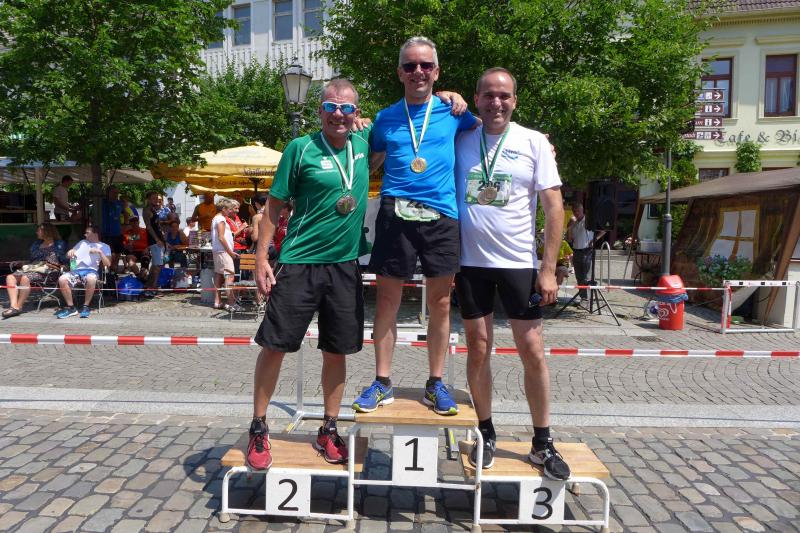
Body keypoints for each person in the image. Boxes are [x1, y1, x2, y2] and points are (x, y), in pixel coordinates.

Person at [454, 67, 570, 479]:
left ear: (515, 101)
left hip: (519, 264)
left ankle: (542, 441)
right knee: (478, 347)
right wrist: (448, 94)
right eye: (488, 95)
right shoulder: (461, 139)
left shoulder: (534, 142)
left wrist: (548, 269)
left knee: (532, 350)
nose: (496, 102)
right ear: (477, 99)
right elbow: (429, 113)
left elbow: (554, 208)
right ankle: (485, 431)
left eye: (504, 95)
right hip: (471, 264)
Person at [249, 79, 370, 470]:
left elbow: (407, 121)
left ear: (356, 113)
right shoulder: (299, 149)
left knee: (337, 350)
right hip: (299, 262)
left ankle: (329, 427)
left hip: (345, 265)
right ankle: (258, 425)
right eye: (331, 107)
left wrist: (449, 96)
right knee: (275, 345)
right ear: (320, 111)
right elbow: (273, 206)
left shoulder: (364, 144)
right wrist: (262, 259)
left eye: (346, 108)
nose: (338, 114)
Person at [353, 36, 477, 416]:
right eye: (410, 66)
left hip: (442, 215)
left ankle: (435, 383)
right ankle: (382, 381)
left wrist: (540, 145)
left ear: (436, 72)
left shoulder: (454, 111)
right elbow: (371, 158)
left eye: (425, 65)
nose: (417, 72)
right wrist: (358, 129)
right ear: (400, 73)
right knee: (386, 301)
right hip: (396, 212)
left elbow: (490, 133)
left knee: (440, 303)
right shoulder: (386, 118)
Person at [2, 223, 67, 318]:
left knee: (25, 278)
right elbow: (32, 260)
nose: (36, 232)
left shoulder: (59, 244)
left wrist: (63, 266)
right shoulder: (37, 244)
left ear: (46, 231)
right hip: (34, 268)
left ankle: (18, 307)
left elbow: (63, 260)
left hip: (49, 271)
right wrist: (22, 262)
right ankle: (13, 306)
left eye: (38, 230)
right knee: (10, 277)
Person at [56, 226, 111, 319]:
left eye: (87, 233)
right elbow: (70, 256)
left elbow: (108, 264)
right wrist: (70, 252)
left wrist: (100, 252)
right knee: (62, 279)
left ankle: (86, 306)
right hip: (76, 270)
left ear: (95, 233)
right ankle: (71, 308)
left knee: (91, 278)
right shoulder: (82, 242)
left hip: (91, 271)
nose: (85, 235)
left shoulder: (104, 246)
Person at [566, 202, 604, 306]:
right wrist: (570, 227)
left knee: (586, 276)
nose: (576, 213)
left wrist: (594, 239)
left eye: (578, 211)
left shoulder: (588, 221)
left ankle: (586, 300)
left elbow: (604, 230)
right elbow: (569, 239)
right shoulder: (573, 222)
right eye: (574, 211)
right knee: (579, 276)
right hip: (576, 251)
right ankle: (583, 298)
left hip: (586, 250)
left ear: (582, 210)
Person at [211, 198, 240, 311]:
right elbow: (221, 237)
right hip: (223, 251)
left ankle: (217, 301)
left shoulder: (216, 218)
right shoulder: (221, 219)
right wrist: (230, 252)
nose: (230, 211)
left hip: (218, 251)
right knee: (229, 276)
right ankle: (231, 303)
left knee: (219, 275)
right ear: (223, 209)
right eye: (229, 209)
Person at [142, 191, 165, 298]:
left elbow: (157, 227)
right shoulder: (147, 210)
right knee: (157, 266)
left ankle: (150, 287)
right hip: (154, 241)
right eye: (154, 198)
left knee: (157, 265)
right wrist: (157, 239)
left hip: (158, 240)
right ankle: (152, 289)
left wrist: (163, 239)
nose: (156, 200)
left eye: (157, 198)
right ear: (148, 199)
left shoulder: (153, 209)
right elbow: (149, 227)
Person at [101, 186, 124, 272]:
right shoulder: (102, 203)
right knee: (111, 254)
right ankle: (108, 272)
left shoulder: (119, 203)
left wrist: (125, 225)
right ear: (107, 193)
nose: (116, 194)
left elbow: (125, 214)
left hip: (117, 233)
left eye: (117, 193)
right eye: (113, 193)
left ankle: (114, 272)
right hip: (106, 234)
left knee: (118, 254)